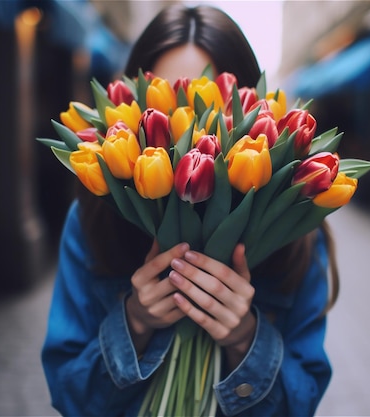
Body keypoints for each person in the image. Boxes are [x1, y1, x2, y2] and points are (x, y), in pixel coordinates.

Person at [42, 4, 339, 416]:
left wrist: (245, 339)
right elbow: (68, 394)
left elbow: (301, 403)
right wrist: (135, 323)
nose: (192, 135)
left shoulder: (296, 235)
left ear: (254, 113)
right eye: (167, 107)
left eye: (209, 106)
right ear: (127, 112)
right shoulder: (95, 220)